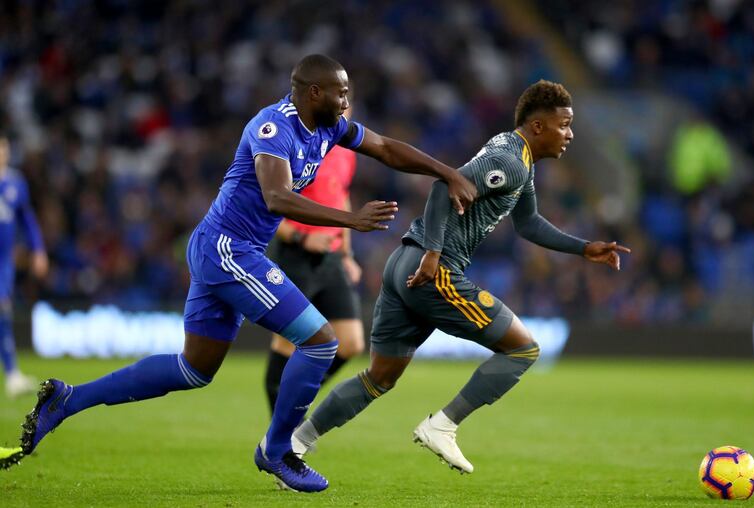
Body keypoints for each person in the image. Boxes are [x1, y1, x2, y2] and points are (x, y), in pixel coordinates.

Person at [10, 55, 477, 492]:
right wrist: (350, 220)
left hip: (226, 249)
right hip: (228, 249)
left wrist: (446, 173)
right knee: (320, 342)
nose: (347, 101)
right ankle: (277, 452)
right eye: (341, 92)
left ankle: (67, 400)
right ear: (314, 92)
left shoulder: (328, 127)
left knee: (194, 370)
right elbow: (277, 197)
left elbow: (387, 148)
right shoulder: (273, 127)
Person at [291, 80, 631, 475]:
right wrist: (435, 254)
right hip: (433, 269)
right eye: (564, 124)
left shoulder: (515, 155)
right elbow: (443, 186)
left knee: (379, 378)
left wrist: (583, 247)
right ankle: (443, 425)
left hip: (405, 262)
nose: (570, 134)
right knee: (523, 349)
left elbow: (529, 224)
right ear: (538, 127)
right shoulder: (509, 162)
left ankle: (293, 443)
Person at [264, 110, 364, 413]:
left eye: (346, 100)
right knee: (287, 344)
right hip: (296, 256)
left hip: (332, 259)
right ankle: (279, 436)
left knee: (351, 343)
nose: (342, 108)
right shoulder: (293, 144)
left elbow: (341, 196)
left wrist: (347, 253)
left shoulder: (345, 151)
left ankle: (294, 400)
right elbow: (268, 201)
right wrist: (301, 237)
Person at [0, 131, 48, 399]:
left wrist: (38, 250)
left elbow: (27, 220)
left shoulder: (16, 183)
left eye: (3, 148)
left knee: (3, 307)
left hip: (3, 260)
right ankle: (11, 374)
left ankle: (12, 374)